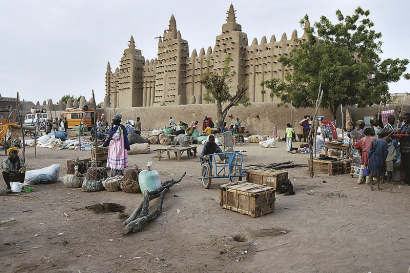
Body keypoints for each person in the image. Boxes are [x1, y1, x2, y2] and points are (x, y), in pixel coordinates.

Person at [399, 113, 410, 185]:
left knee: (408, 164)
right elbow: (401, 131)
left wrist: (404, 136)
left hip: (408, 148)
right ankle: (406, 179)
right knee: (405, 165)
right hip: (403, 148)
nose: (405, 119)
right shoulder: (404, 125)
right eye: (404, 118)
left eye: (406, 118)